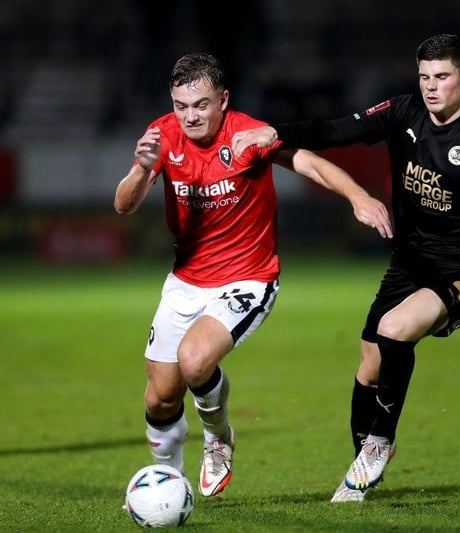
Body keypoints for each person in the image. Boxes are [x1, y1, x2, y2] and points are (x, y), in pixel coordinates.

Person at [232, 33, 460, 502]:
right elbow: (338, 129)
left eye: (441, 77)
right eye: (424, 77)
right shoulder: (404, 112)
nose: (430, 87)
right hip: (410, 264)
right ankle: (362, 473)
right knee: (369, 366)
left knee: (394, 329)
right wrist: (278, 132)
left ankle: (380, 442)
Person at [114, 52, 392, 498]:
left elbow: (311, 163)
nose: (189, 116)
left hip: (248, 277)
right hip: (185, 280)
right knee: (159, 397)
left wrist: (357, 196)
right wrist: (144, 168)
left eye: (200, 105)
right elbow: (124, 205)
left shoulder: (248, 134)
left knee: (195, 360)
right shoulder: (162, 136)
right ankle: (168, 484)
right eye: (181, 106)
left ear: (223, 100)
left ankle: (219, 437)